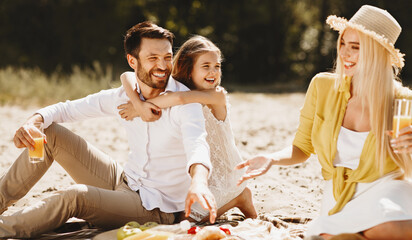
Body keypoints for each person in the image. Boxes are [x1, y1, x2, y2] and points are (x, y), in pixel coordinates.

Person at [0, 21, 217, 238]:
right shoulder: (124, 97)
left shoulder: (185, 103)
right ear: (133, 61)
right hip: (123, 180)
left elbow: (197, 143)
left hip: (154, 207)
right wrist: (32, 122)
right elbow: (66, 109)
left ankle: (4, 228)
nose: (162, 66)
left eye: (167, 57)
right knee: (49, 132)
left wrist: (198, 181)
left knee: (76, 197)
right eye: (152, 58)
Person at [236, 5, 412, 240]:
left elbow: (406, 165)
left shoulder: (402, 100)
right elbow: (302, 148)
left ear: (376, 53)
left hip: (387, 187)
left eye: (355, 47)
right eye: (343, 44)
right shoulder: (322, 86)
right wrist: (272, 158)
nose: (344, 54)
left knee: (390, 229)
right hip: (338, 194)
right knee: (334, 234)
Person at [117, 35, 257, 222]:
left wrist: (140, 107)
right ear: (189, 70)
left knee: (185, 220)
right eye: (206, 66)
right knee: (176, 214)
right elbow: (126, 76)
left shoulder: (217, 96)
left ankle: (240, 195)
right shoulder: (175, 88)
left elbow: (181, 99)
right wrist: (137, 103)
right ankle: (238, 196)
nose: (213, 72)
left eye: (217, 66)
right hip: (198, 177)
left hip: (226, 176)